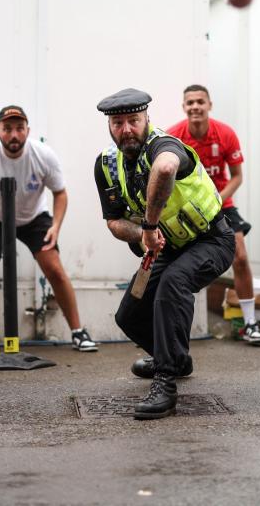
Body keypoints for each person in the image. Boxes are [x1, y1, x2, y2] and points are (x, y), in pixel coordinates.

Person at [94, 88, 234, 419]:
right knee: (128, 315)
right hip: (168, 248)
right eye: (118, 122)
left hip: (212, 239)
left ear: (146, 120)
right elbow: (114, 223)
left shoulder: (164, 144)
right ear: (109, 126)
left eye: (134, 120)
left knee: (173, 283)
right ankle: (174, 358)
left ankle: (165, 383)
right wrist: (143, 237)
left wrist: (147, 224)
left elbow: (166, 168)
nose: (126, 129)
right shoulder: (107, 166)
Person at [0, 105, 97, 356]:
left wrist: (55, 226)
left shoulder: (43, 155)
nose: (14, 135)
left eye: (19, 129)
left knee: (54, 267)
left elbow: (60, 193)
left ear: (28, 131)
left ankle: (78, 332)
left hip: (33, 216)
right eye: (8, 129)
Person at [167, 84, 260, 346]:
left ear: (210, 105)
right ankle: (174, 332)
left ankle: (250, 323)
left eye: (200, 101)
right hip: (186, 210)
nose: (195, 106)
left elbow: (237, 177)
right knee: (175, 267)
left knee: (241, 257)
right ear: (184, 107)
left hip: (222, 203)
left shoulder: (226, 134)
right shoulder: (172, 137)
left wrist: (216, 199)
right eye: (190, 102)